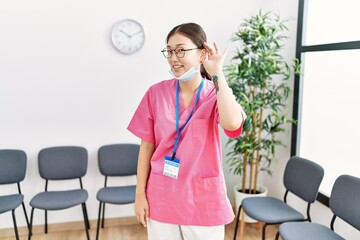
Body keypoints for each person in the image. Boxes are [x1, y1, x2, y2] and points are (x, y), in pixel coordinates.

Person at [127, 22, 246, 240]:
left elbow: (232, 124)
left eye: (181, 50)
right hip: (162, 195)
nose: (173, 57)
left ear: (202, 54)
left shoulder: (215, 94)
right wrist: (139, 194)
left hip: (203, 200)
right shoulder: (155, 94)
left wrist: (218, 73)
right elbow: (146, 146)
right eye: (169, 51)